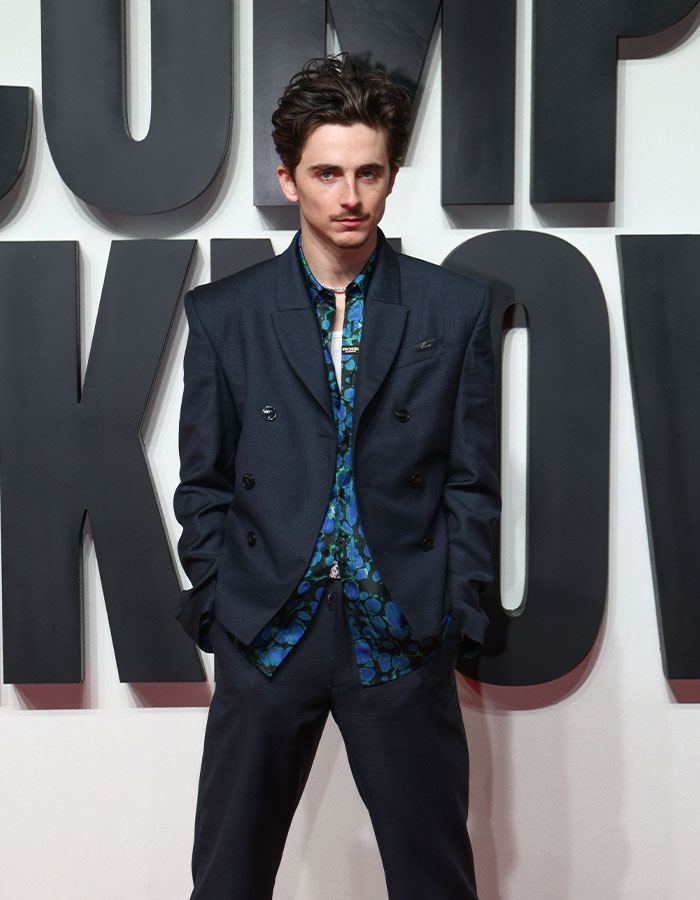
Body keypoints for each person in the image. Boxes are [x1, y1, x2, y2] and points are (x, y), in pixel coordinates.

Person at [173, 54, 500, 900]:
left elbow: (471, 481)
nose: (349, 195)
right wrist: (221, 598)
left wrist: (451, 612)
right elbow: (203, 479)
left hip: (400, 632)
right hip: (266, 632)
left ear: (391, 177)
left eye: (368, 172)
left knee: (433, 879)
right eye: (326, 173)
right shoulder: (224, 314)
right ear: (289, 179)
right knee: (228, 877)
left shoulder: (453, 310)